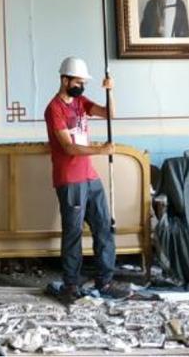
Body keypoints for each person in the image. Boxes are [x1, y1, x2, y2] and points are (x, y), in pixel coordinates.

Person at [44, 56, 129, 302]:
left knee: (104, 227)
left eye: (83, 82)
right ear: (64, 79)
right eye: (78, 81)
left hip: (90, 176)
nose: (81, 86)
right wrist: (101, 150)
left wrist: (110, 91)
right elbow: (69, 148)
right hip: (69, 179)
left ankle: (105, 282)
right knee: (73, 232)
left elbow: (109, 113)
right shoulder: (54, 109)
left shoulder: (81, 102)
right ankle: (71, 285)